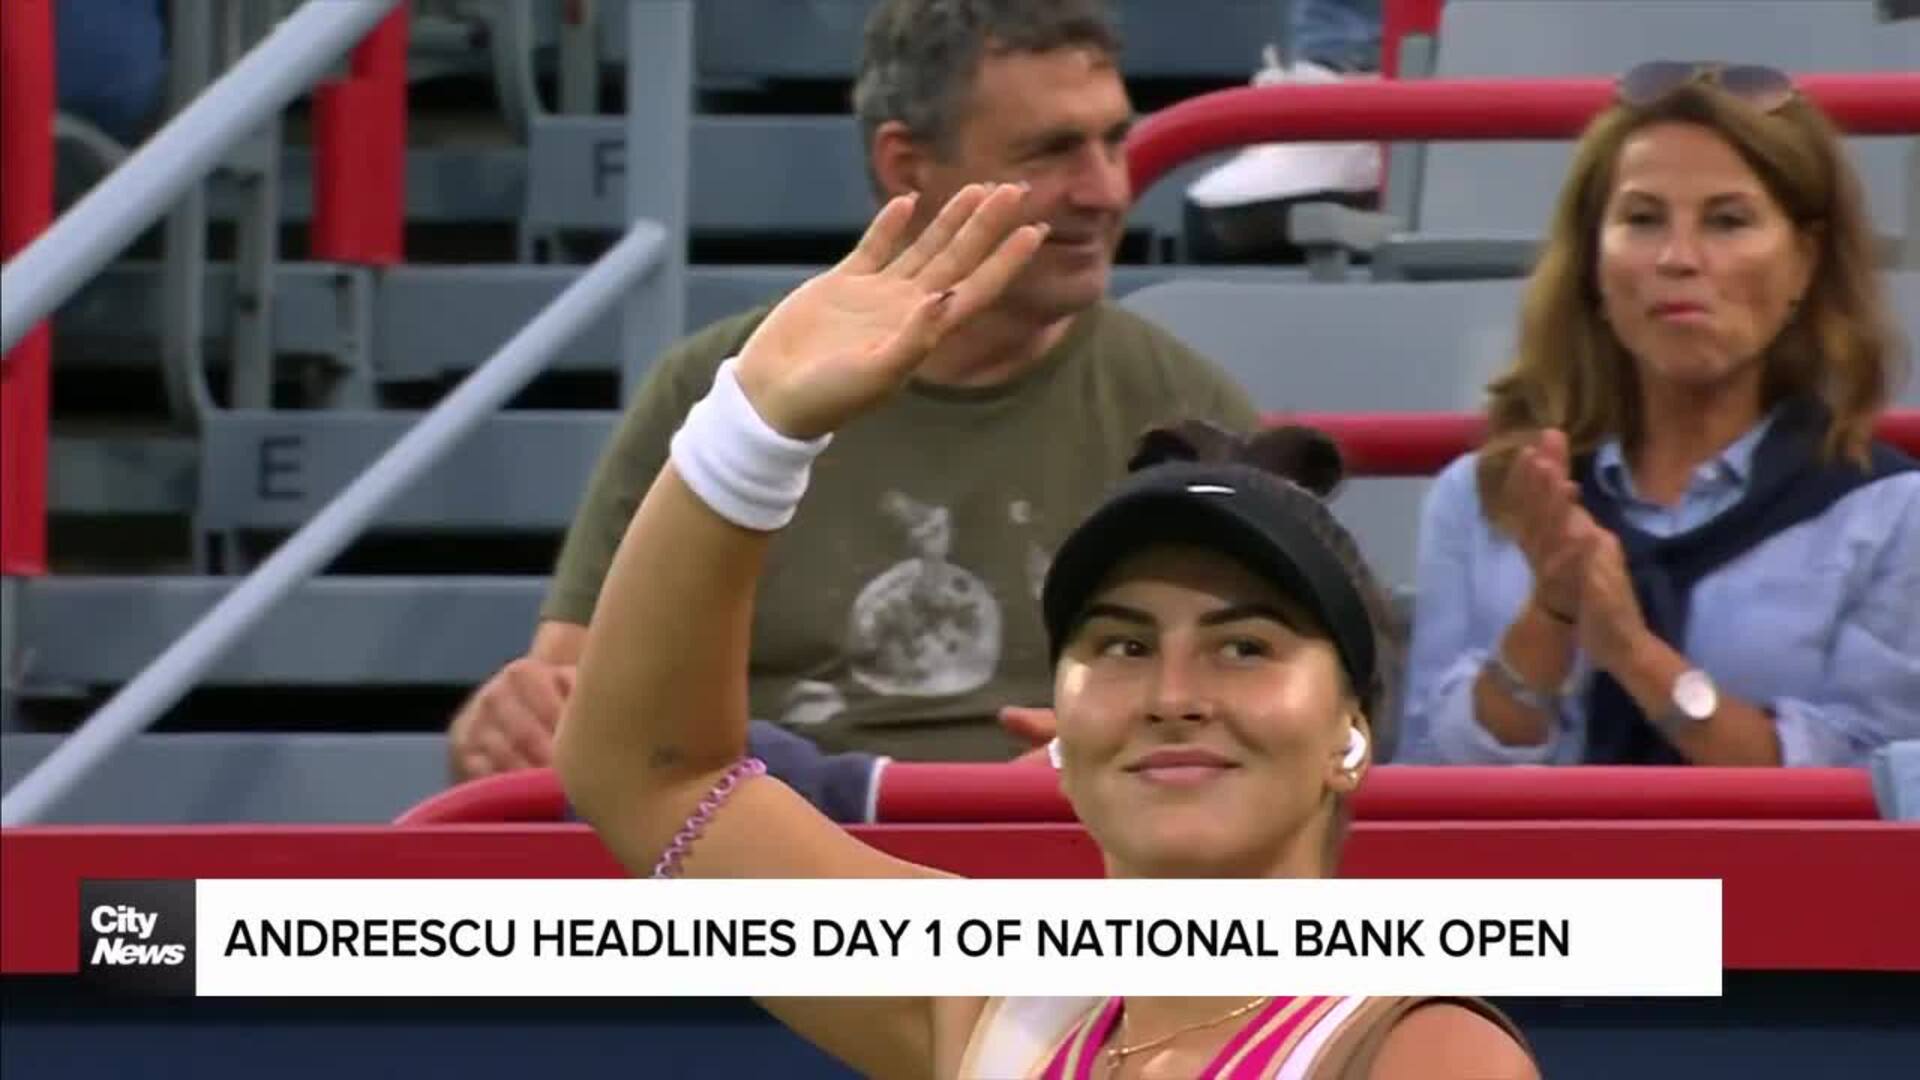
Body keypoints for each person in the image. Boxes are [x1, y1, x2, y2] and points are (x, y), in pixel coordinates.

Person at [555, 183, 1537, 1079]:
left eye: (1245, 647)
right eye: (1123, 645)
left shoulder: (1428, 1052)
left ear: (1350, 730)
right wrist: (752, 430)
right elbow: (648, 777)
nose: (1174, 695)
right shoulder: (991, 1003)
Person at [448, 0, 1259, 788]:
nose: (1106, 190)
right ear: (905, 164)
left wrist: (1127, 764)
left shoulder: (1185, 407)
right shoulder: (720, 393)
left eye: (1114, 141)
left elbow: (1299, 719)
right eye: (1050, 153)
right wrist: (511, 725)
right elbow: (572, 718)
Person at [1400, 61, 1918, 767]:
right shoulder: (1483, 496)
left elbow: (1878, 801)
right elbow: (1428, 792)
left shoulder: (1891, 516)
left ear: (1804, 259)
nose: (1678, 258)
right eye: (1642, 220)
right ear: (1592, 260)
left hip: (1774, 883)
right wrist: (1550, 619)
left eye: (1727, 221)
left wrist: (1639, 659)